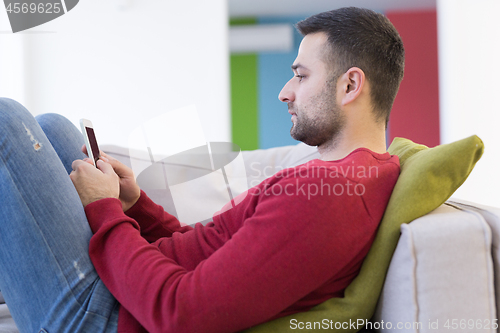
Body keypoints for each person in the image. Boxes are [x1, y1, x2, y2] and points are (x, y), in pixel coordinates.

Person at [0, 6, 404, 333]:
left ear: (350, 86)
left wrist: (104, 208)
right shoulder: (343, 180)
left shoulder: (334, 195)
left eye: (300, 75)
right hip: (124, 300)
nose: (285, 92)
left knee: (6, 121)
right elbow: (205, 250)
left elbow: (182, 315)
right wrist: (134, 204)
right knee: (53, 126)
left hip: (106, 318)